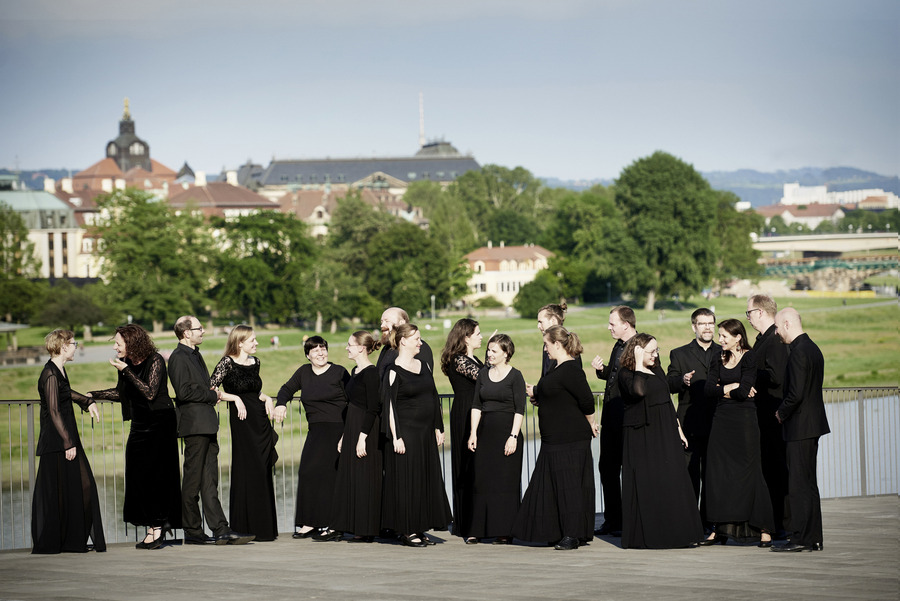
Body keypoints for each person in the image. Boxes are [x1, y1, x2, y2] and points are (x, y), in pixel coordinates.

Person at [89, 324, 182, 549]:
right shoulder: (127, 364)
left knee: (158, 474)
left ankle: (158, 528)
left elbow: (150, 391)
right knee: (138, 475)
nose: (115, 347)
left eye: (118, 343)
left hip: (160, 423)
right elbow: (123, 394)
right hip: (140, 425)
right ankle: (153, 524)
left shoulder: (156, 360)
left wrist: (125, 371)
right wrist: (93, 394)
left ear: (131, 343)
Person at [169, 316, 254, 546]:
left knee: (209, 481)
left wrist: (211, 393)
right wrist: (212, 394)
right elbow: (184, 392)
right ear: (186, 333)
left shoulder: (195, 354)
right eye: (199, 328)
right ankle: (193, 530)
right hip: (194, 426)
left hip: (206, 424)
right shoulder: (178, 358)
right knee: (193, 481)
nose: (203, 331)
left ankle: (220, 529)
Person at [514, 325, 598, 550]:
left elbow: (587, 401)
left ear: (558, 344)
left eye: (547, 344)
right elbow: (557, 395)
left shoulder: (571, 369)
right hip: (554, 438)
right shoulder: (555, 368)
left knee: (569, 486)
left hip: (570, 438)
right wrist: (537, 394)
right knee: (553, 486)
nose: (545, 349)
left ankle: (572, 534)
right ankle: (558, 530)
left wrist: (591, 423)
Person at [619, 333, 704, 549]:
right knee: (649, 482)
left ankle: (678, 532)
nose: (656, 355)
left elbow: (666, 399)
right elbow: (638, 392)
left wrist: (679, 430)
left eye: (657, 350)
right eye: (651, 352)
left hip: (665, 429)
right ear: (637, 351)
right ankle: (651, 535)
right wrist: (639, 363)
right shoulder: (626, 373)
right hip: (642, 434)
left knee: (671, 478)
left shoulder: (657, 368)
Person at [701, 319, 773, 547]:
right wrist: (729, 388)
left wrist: (727, 390)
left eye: (724, 336)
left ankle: (764, 529)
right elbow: (707, 391)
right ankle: (717, 528)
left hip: (744, 423)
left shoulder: (749, 357)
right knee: (718, 473)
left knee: (750, 473)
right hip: (721, 421)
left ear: (737, 337)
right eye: (719, 336)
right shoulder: (717, 357)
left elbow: (744, 392)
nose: (719, 339)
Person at [32, 330, 105, 554]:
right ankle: (63, 541)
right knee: (68, 489)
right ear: (63, 347)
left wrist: (86, 401)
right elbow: (53, 411)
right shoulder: (51, 374)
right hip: (58, 442)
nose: (76, 347)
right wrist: (67, 443)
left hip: (65, 438)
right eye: (74, 343)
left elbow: (65, 393)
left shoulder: (58, 370)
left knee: (75, 487)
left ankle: (71, 540)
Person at [381, 323, 453, 547]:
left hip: (424, 434)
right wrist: (396, 436)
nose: (420, 343)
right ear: (403, 341)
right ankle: (407, 529)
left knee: (424, 479)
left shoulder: (423, 366)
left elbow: (433, 397)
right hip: (406, 433)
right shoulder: (393, 370)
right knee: (407, 481)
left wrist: (438, 427)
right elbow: (389, 406)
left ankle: (420, 527)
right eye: (416, 339)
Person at [274, 336, 350, 541]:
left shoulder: (340, 372)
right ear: (308, 355)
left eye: (323, 349)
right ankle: (309, 523)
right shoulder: (304, 372)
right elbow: (286, 389)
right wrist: (281, 404)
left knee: (332, 477)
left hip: (339, 429)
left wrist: (348, 432)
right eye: (315, 350)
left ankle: (334, 524)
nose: (320, 353)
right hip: (316, 430)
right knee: (308, 472)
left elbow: (353, 401)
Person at [209, 325, 279, 542]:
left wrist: (266, 397)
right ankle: (245, 526)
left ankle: (264, 528)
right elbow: (211, 389)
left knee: (262, 468)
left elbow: (253, 390)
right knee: (247, 468)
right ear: (239, 342)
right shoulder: (226, 362)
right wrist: (234, 398)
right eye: (252, 340)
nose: (257, 343)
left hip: (259, 419)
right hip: (242, 421)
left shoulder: (255, 362)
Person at [772, 308, 830, 553]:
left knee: (797, 484)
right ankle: (813, 537)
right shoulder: (813, 348)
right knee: (809, 484)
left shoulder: (797, 352)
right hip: (812, 425)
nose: (776, 333)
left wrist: (780, 413)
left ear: (787, 323)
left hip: (798, 427)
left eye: (777, 327)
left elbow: (795, 394)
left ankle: (800, 538)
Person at [466, 334, 525, 544]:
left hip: (507, 434)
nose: (489, 354)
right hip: (485, 433)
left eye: (494, 351)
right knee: (481, 481)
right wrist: (473, 433)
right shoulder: (483, 374)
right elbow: (476, 405)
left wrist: (513, 436)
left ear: (506, 353)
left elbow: (520, 409)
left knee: (505, 483)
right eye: (489, 350)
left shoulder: (515, 376)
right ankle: (477, 529)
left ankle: (504, 530)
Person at [666, 308, 720, 528]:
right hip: (689, 422)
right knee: (689, 474)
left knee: (713, 473)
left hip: (718, 422)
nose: (707, 327)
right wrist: (683, 381)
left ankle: (711, 521)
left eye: (711, 323)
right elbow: (669, 384)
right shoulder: (679, 353)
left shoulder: (723, 350)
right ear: (694, 327)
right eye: (702, 324)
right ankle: (690, 521)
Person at [331, 330, 384, 543]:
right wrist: (346, 436)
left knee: (365, 477)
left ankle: (367, 529)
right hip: (353, 427)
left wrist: (362, 437)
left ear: (361, 348)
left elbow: (373, 408)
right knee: (353, 477)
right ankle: (354, 526)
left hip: (366, 429)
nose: (347, 348)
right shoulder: (355, 371)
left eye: (350, 344)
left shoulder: (371, 373)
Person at [746, 294, 790, 538]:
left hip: (772, 417)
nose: (748, 318)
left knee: (776, 470)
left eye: (749, 313)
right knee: (770, 470)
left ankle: (780, 525)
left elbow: (776, 376)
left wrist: (748, 377)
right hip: (765, 416)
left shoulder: (773, 339)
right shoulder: (764, 339)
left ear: (760, 312)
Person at [591, 305, 636, 536]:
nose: (609, 327)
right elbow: (614, 376)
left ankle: (627, 520)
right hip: (610, 417)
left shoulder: (640, 346)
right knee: (606, 468)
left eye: (612, 324)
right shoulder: (618, 346)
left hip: (627, 418)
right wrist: (602, 371)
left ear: (625, 325)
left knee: (628, 470)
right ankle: (612, 520)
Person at [439, 317, 484, 541]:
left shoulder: (472, 357)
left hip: (476, 411)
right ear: (466, 337)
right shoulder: (459, 360)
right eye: (477, 333)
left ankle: (479, 520)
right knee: (466, 466)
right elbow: (484, 378)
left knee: (479, 468)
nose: (481, 337)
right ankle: (466, 524)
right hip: (466, 413)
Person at [376, 307, 434, 378]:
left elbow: (424, 381)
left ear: (401, 323)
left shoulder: (419, 346)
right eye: (381, 322)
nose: (382, 325)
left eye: (387, 321)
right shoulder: (386, 348)